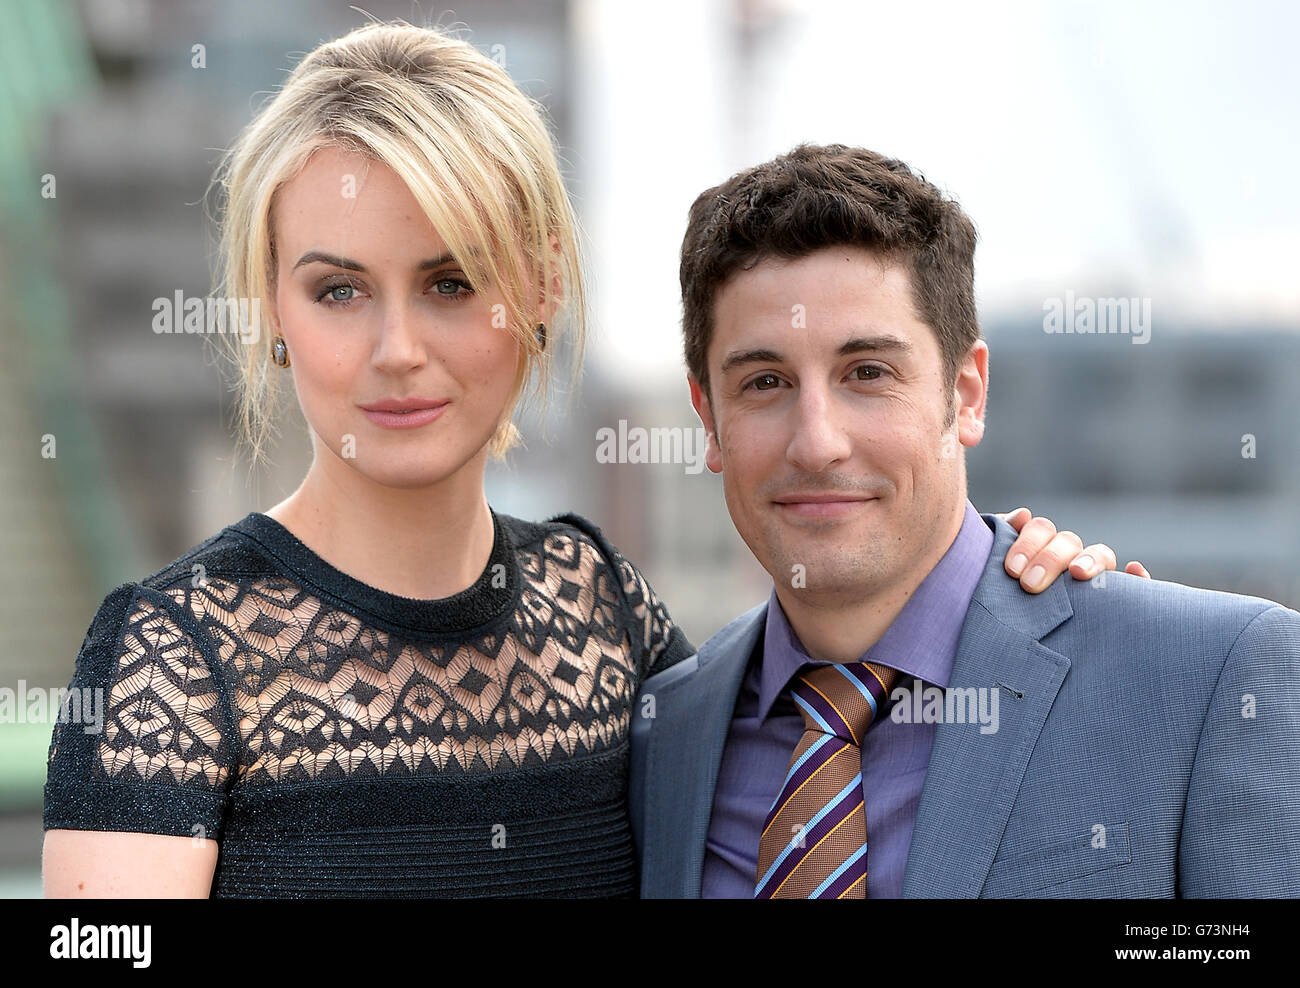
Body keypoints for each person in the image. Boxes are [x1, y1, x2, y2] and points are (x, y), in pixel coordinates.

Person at [42, 22, 1132, 899]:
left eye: (452, 280)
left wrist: (1020, 590)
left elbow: (836, 732)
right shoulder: (169, 657)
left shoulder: (600, 606)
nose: (396, 350)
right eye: (338, 290)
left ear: (542, 288)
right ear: (269, 307)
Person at [629, 143, 1300, 899]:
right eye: (764, 381)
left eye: (868, 373)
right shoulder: (663, 739)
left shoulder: (1205, 677)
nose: (816, 443)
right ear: (708, 421)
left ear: (967, 394)